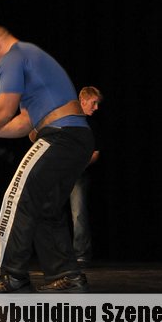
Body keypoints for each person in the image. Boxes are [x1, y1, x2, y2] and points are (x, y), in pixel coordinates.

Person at [0, 25, 93, 293]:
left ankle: (14, 275)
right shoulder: (30, 57)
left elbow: (4, 107)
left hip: (60, 136)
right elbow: (25, 122)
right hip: (77, 138)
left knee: (17, 195)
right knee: (45, 207)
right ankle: (67, 274)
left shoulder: (13, 56)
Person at [69, 86, 102, 266]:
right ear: (83, 101)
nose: (96, 107)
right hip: (60, 173)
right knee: (52, 213)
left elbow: (95, 153)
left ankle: (81, 254)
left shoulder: (93, 125)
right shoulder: (68, 120)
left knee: (79, 214)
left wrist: (78, 165)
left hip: (79, 174)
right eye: (93, 103)